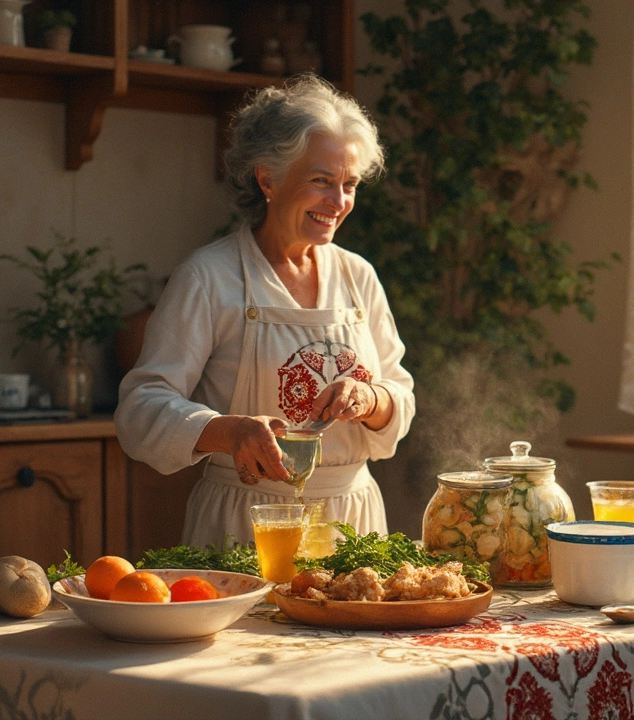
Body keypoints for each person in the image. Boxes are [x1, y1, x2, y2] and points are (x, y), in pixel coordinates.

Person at [115, 75, 415, 547]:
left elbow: (400, 393)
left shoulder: (358, 276)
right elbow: (140, 410)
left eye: (349, 185)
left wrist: (370, 399)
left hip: (352, 526)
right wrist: (228, 432)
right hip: (246, 526)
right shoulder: (209, 277)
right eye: (321, 182)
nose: (338, 203)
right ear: (267, 178)